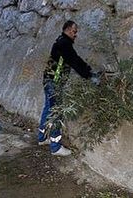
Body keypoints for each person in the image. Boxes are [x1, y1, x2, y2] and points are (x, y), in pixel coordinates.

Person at [37, 20, 96, 156]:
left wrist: (88, 71)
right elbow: (75, 61)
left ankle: (41, 138)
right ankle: (55, 147)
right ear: (69, 30)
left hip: (48, 80)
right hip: (54, 83)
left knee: (48, 108)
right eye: (75, 31)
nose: (76, 35)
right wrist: (89, 75)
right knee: (57, 112)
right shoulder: (64, 44)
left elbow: (74, 59)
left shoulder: (61, 42)